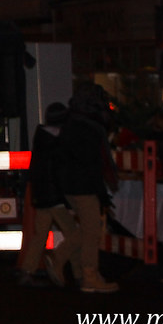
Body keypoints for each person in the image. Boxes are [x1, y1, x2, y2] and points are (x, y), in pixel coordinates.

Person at [57, 82, 120, 293]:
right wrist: (103, 193)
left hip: (71, 184)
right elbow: (93, 164)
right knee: (92, 231)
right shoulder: (91, 127)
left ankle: (86, 273)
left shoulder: (70, 122)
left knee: (87, 229)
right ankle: (87, 275)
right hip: (84, 185)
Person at [17, 102, 82, 288]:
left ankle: (27, 270)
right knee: (74, 234)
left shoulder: (42, 137)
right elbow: (61, 171)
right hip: (56, 197)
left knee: (40, 235)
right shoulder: (59, 141)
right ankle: (77, 273)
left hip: (42, 195)